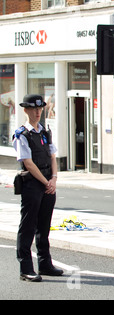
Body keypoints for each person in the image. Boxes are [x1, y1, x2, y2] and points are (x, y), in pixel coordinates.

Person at [13, 94, 64, 282]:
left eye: (40, 109)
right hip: (33, 183)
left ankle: (45, 264)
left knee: (44, 226)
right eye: (34, 109)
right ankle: (25, 268)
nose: (37, 112)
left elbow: (52, 156)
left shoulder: (44, 132)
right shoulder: (21, 134)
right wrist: (46, 182)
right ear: (25, 110)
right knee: (28, 226)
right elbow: (28, 163)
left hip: (48, 182)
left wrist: (54, 179)